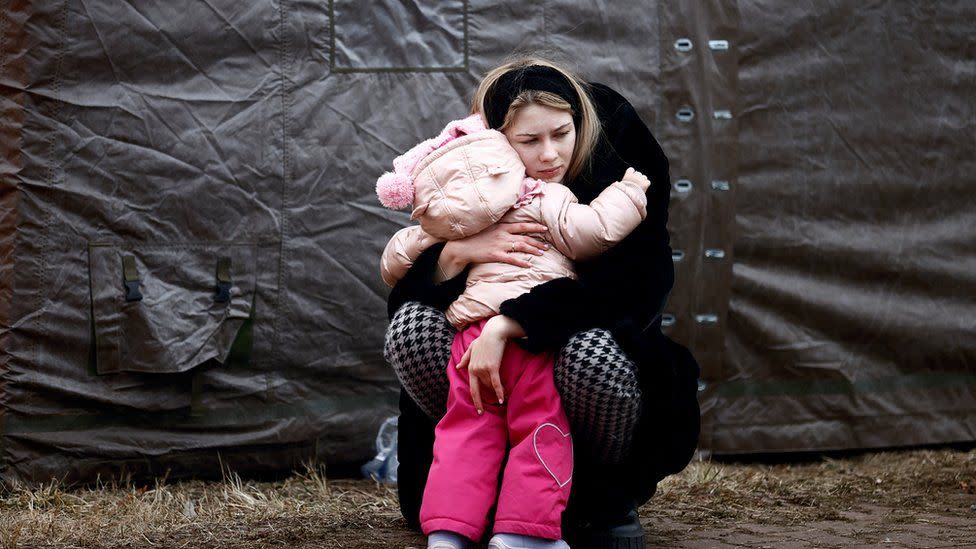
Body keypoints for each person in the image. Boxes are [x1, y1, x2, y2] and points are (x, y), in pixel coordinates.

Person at [382, 56, 701, 548]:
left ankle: (601, 501)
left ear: (579, 125)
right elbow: (401, 275)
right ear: (498, 143)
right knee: (411, 327)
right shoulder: (480, 181)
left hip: (567, 343)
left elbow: (636, 288)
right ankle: (466, 502)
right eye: (528, 141)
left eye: (560, 135)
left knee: (590, 356)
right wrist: (456, 255)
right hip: (478, 353)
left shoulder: (609, 170)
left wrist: (512, 323)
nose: (549, 154)